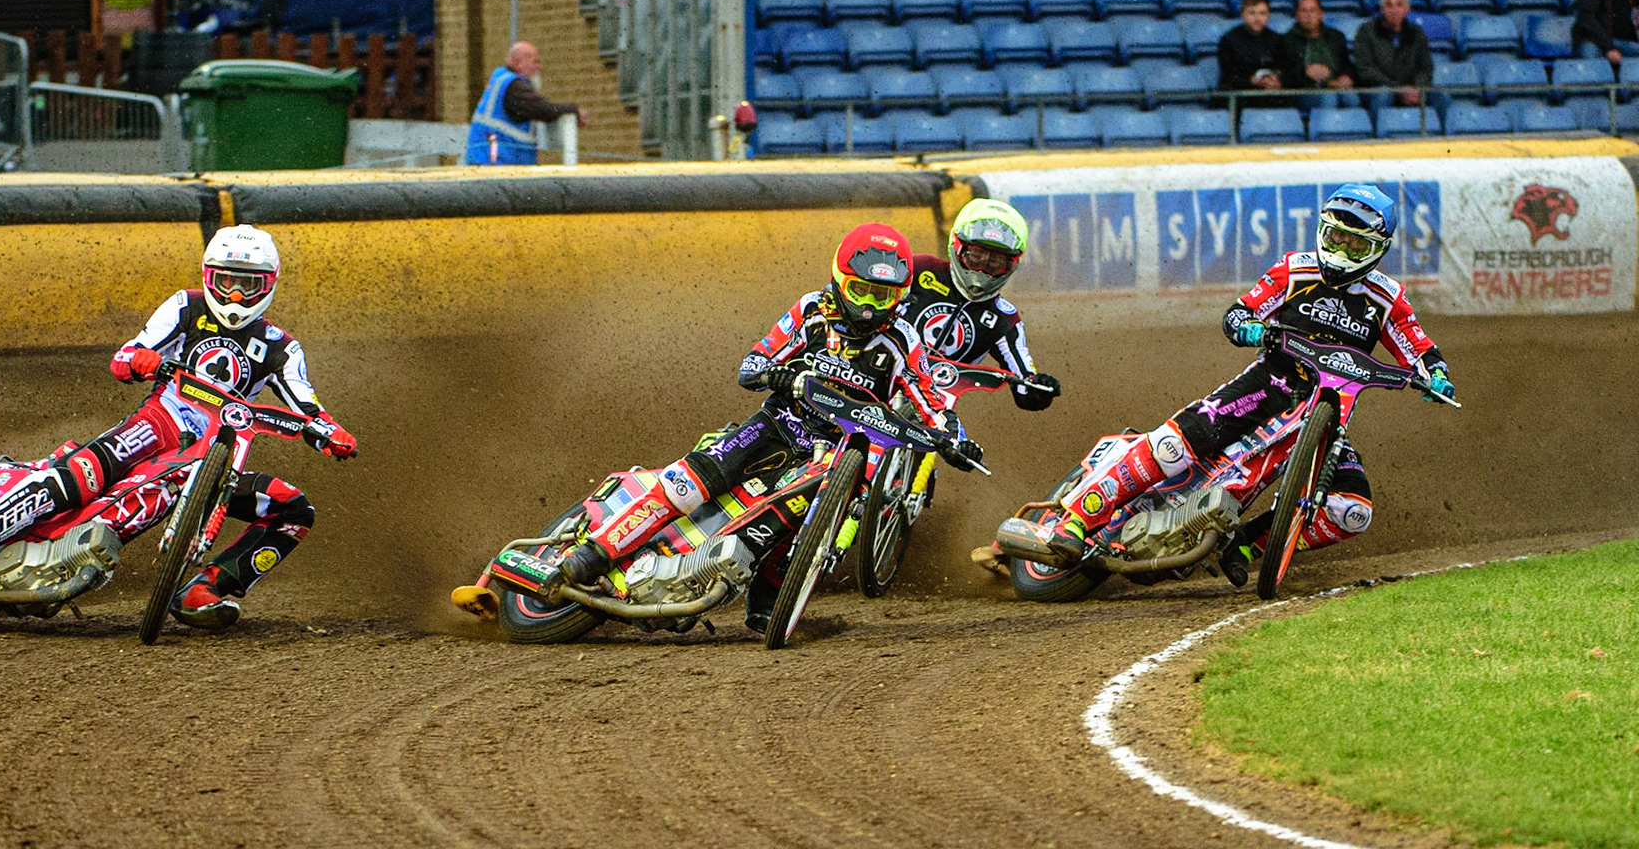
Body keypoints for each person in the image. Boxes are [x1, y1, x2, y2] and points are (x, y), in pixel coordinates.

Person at [0, 225, 357, 632]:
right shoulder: (186, 307)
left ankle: (206, 589)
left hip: (216, 456)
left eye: (247, 285)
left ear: (268, 285)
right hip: (161, 421)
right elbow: (126, 355)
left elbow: (306, 402)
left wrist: (330, 432)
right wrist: (143, 361)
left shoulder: (280, 347)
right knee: (86, 471)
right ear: (209, 277)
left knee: (294, 510)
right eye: (227, 281)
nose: (234, 294)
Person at [547, 222, 982, 631]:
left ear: (900, 297)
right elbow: (754, 363)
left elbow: (932, 398)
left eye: (882, 297)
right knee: (690, 482)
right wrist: (781, 376)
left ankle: (768, 595)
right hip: (778, 424)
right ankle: (593, 553)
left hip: (837, 450)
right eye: (861, 291)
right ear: (839, 279)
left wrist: (956, 440)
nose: (868, 307)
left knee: (802, 514)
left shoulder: (904, 341)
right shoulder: (812, 311)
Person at [1022, 185, 1456, 580]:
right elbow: (1238, 313)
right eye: (1335, 235)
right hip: (1268, 384)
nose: (1341, 247)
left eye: (1354, 242)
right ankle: (1076, 520)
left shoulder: (1388, 299)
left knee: (1351, 512)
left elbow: (1419, 346)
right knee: (1172, 448)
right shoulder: (1294, 270)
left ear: (1377, 248)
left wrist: (1436, 376)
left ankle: (1245, 545)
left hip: (1326, 421)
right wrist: (1250, 328)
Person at [899, 199, 1061, 414]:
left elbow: (1025, 389)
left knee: (959, 446)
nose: (982, 270)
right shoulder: (919, 270)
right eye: (976, 256)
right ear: (957, 247)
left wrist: (1040, 389)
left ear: (1012, 264)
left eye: (995, 262)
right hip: (877, 375)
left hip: (933, 408)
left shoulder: (1004, 319)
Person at [464, 41, 587, 166]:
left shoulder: (501, 79)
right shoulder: (513, 86)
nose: (539, 67)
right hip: (497, 163)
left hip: (488, 160)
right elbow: (543, 109)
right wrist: (574, 110)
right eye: (535, 62)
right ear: (517, 62)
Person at [1354, 0, 1436, 115]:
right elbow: (1365, 70)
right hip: (1379, 89)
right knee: (1384, 94)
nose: (1394, 10)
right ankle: (1377, 134)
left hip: (1411, 88)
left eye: (1399, 4)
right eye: (1389, 5)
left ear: (1407, 8)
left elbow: (1426, 67)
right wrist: (1398, 89)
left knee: (1440, 95)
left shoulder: (1416, 32)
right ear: (1382, 9)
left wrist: (1416, 88)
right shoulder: (1366, 31)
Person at [1218, 0, 1301, 107]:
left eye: (1262, 13)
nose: (1257, 19)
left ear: (1268, 16)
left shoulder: (1277, 40)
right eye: (1252, 13)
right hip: (1240, 97)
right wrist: (1250, 81)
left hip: (1270, 96)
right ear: (1243, 14)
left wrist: (1278, 81)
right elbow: (1228, 75)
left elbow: (1289, 70)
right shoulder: (1229, 40)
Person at [1283, 0, 1360, 110]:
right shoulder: (1287, 40)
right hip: (1305, 92)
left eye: (1312, 11)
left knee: (1351, 96)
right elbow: (1286, 73)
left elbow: (1346, 65)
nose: (1308, 15)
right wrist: (1305, 71)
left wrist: (1347, 76)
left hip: (1336, 86)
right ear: (1297, 16)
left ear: (1321, 15)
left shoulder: (1336, 37)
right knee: (1329, 97)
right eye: (1304, 11)